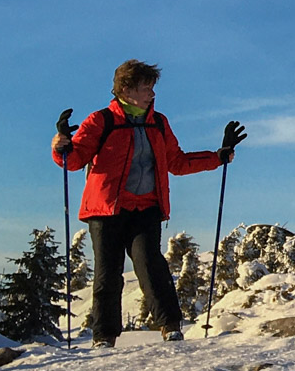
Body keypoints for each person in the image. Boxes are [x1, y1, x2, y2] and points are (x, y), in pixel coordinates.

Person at [50, 59, 240, 347]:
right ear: (126, 90)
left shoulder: (158, 123)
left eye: (152, 87)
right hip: (106, 210)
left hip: (146, 208)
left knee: (151, 265)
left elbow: (177, 162)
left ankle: (170, 327)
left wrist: (218, 157)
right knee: (107, 274)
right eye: (146, 88)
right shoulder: (101, 120)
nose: (152, 93)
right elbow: (74, 160)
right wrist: (62, 145)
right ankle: (104, 336)